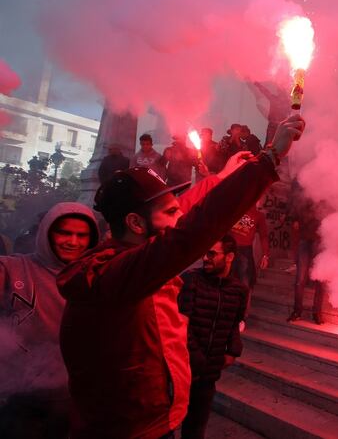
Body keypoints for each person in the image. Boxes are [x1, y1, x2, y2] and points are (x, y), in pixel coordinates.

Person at [56, 114, 304, 438]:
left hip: (159, 419)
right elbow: (192, 230)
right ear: (134, 223)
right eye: (171, 214)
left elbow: (187, 211)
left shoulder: (137, 259)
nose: (179, 217)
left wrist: (224, 177)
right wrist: (269, 159)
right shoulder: (118, 275)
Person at [0, 202, 99, 439]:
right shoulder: (13, 268)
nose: (72, 242)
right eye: (64, 232)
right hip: (17, 399)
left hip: (74, 400)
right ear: (46, 232)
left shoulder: (98, 277)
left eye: (81, 235)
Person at [178, 235, 247, 439]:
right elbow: (181, 324)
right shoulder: (191, 280)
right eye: (204, 253)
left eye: (212, 253)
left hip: (208, 375)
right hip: (182, 370)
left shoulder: (238, 291)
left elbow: (235, 323)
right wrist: (196, 358)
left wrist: (233, 350)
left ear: (229, 257)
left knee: (195, 429)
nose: (205, 258)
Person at [286, 184, 325, 325]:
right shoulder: (304, 189)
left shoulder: (326, 192)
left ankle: (317, 313)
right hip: (305, 238)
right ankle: (297, 311)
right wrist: (295, 219)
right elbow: (296, 206)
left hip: (319, 240)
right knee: (300, 279)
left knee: (320, 279)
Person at [229, 203, 270, 292]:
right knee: (228, 284)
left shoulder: (258, 215)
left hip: (244, 251)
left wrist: (265, 255)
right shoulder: (234, 208)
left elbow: (264, 236)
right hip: (229, 249)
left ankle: (243, 305)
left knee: (245, 286)